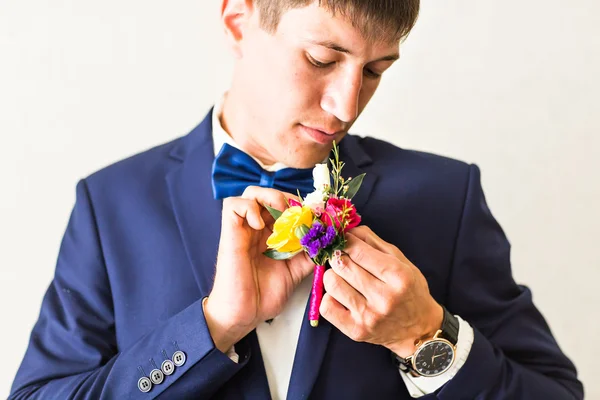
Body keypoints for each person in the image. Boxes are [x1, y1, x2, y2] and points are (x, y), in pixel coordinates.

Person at [10, 0, 583, 399]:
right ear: (238, 21)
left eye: (376, 70)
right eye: (322, 59)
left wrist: (424, 336)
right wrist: (211, 328)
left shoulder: (446, 198)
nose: (346, 105)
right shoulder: (110, 205)